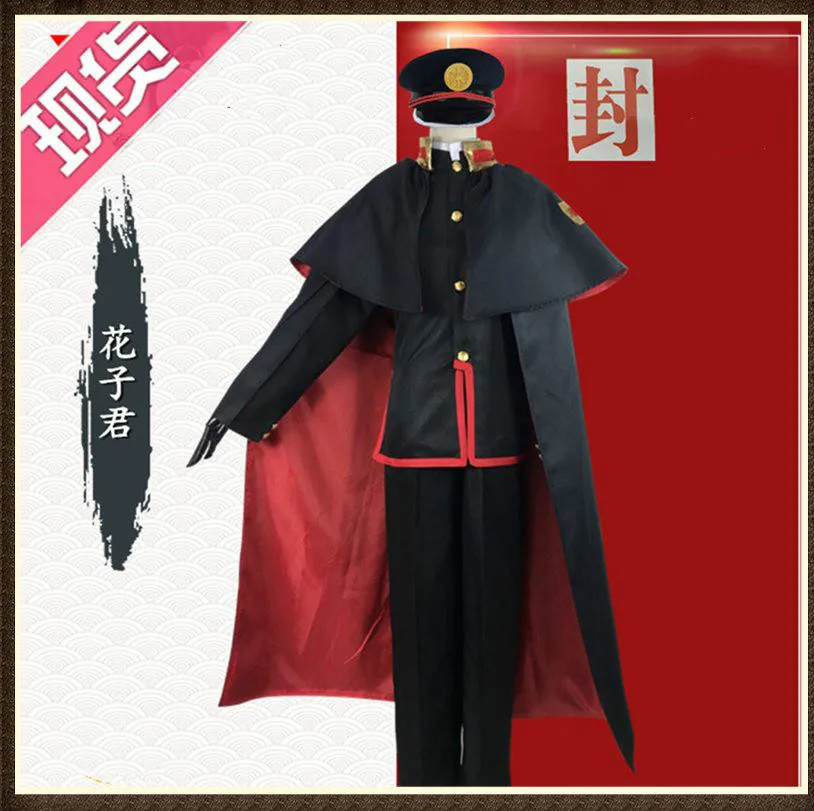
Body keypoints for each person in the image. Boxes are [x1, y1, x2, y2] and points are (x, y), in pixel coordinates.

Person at [189, 47, 634, 787]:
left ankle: (486, 785)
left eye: (464, 117)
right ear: (425, 116)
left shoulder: (523, 199)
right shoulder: (390, 198)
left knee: (492, 630)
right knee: (422, 632)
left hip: (500, 449)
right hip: (415, 445)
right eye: (446, 117)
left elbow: (545, 333)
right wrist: (244, 407)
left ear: (480, 114)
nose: (455, 127)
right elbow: (324, 316)